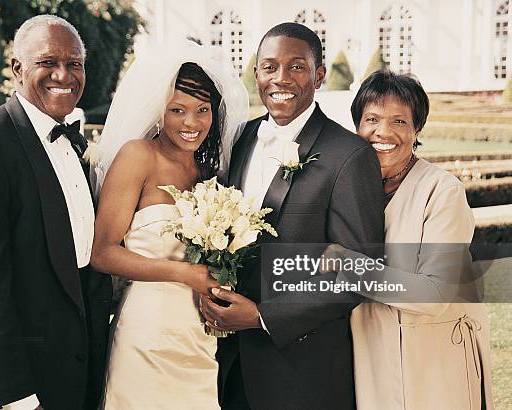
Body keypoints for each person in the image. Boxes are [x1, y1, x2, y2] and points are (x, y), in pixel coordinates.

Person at [199, 23, 385, 410]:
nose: (281, 79)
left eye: (297, 67)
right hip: (227, 368)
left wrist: (263, 316)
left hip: (302, 375)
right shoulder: (237, 139)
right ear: (256, 74)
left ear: (318, 76)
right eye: (269, 67)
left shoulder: (348, 156)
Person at [0, 15, 112, 410]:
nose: (63, 75)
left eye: (75, 64)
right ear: (17, 68)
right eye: (48, 62)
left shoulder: (75, 146)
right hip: (17, 389)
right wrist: (15, 397)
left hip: (74, 378)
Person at [89, 41, 248, 409]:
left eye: (202, 110)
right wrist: (184, 275)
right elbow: (103, 253)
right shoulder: (137, 156)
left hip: (199, 335)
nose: (191, 123)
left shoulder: (209, 173)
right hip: (148, 334)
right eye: (178, 110)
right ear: (160, 111)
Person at [323, 69, 494, 409]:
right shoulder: (344, 187)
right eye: (372, 118)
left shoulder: (441, 191)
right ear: (357, 126)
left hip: (433, 361)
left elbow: (435, 292)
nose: (383, 132)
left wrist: (350, 266)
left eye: (399, 121)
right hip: (370, 357)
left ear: (417, 130)